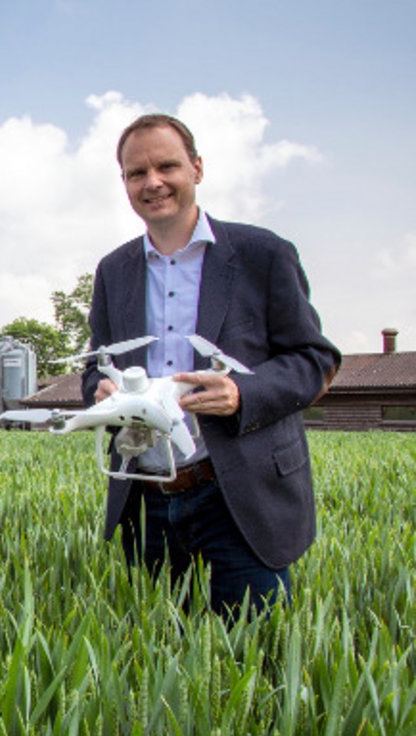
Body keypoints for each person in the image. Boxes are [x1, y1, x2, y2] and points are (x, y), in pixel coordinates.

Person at [82, 114, 340, 617]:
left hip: (238, 496)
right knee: (163, 661)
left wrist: (243, 394)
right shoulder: (114, 271)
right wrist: (101, 389)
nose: (153, 182)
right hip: (149, 497)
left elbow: (315, 359)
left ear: (196, 168)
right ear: (125, 184)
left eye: (167, 166)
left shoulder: (262, 254)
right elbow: (98, 363)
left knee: (253, 659)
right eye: (137, 173)